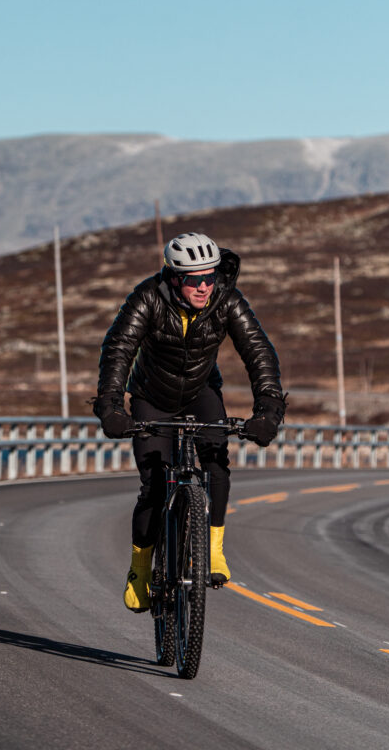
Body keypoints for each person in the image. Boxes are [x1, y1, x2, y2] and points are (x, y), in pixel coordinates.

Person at [92, 231, 285, 612]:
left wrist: (268, 411)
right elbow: (119, 348)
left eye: (210, 277)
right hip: (152, 397)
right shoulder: (147, 297)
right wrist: (112, 406)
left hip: (200, 392)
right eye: (195, 279)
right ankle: (141, 570)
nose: (204, 287)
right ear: (175, 277)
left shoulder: (226, 299)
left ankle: (212, 551)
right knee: (153, 484)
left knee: (216, 464)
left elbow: (259, 352)